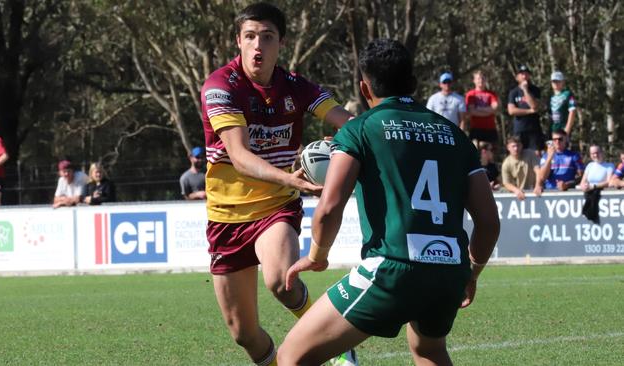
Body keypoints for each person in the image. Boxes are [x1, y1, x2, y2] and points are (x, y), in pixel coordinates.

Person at [277, 39, 500, 366]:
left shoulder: (360, 130)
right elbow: (489, 221)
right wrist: (471, 273)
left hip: (393, 267)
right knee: (429, 351)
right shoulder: (455, 135)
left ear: (364, 88)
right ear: (413, 84)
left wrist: (316, 257)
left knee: (291, 356)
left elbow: (329, 207)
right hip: (449, 270)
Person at [200, 3, 355, 366]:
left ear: (280, 43)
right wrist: (291, 177)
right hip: (225, 216)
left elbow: (346, 123)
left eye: (267, 37)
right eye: (250, 37)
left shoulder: (297, 86)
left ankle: (336, 345)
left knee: (281, 281)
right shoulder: (220, 86)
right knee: (244, 333)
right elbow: (239, 156)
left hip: (275, 207)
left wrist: (377, 134)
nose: (258, 46)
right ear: (238, 41)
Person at [534, 129, 584, 195]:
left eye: (560, 139)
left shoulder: (574, 156)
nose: (557, 141)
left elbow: (582, 177)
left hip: (568, 193)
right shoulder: (545, 156)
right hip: (549, 193)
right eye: (554, 139)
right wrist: (549, 158)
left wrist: (567, 185)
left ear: (565, 139)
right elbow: (542, 177)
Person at [507, 65, 544, 151]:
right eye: (522, 74)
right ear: (517, 77)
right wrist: (529, 111)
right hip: (519, 129)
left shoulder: (535, 90)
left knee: (535, 154)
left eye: (526, 74)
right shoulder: (513, 92)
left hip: (534, 129)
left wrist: (525, 90)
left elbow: (534, 106)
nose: (524, 76)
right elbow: (511, 111)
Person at [465, 70, 500, 145]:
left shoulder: (491, 94)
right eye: (478, 78)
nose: (481, 80)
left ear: (486, 80)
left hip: (490, 128)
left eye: (483, 78)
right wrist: (488, 110)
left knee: (491, 153)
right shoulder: (470, 94)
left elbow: (495, 109)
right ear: (474, 81)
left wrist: (478, 109)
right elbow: (471, 111)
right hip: (476, 129)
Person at [501, 135, 540, 200]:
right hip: (518, 195)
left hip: (534, 192)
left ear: (521, 146)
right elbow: (506, 183)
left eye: (518, 146)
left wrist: (538, 185)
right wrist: (516, 190)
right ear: (508, 147)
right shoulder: (506, 163)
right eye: (513, 146)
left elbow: (538, 170)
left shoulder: (530, 154)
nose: (516, 148)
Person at [549, 71, 577, 138]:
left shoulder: (567, 94)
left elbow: (572, 111)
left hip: (563, 129)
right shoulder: (551, 98)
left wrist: (567, 129)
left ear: (563, 82)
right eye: (554, 81)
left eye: (558, 81)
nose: (556, 83)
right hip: (554, 130)